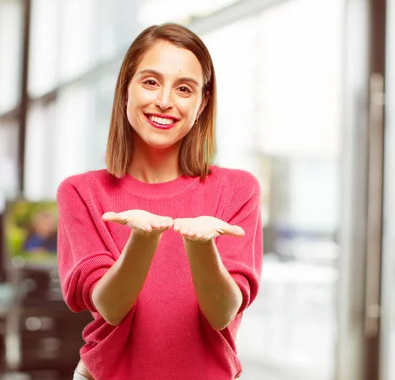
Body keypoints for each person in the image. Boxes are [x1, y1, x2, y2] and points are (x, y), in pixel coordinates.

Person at [56, 23, 262, 380]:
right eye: (150, 81)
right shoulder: (81, 192)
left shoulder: (238, 189)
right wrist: (144, 238)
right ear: (125, 90)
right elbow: (110, 306)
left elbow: (222, 313)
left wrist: (201, 246)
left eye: (184, 88)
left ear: (202, 104)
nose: (165, 101)